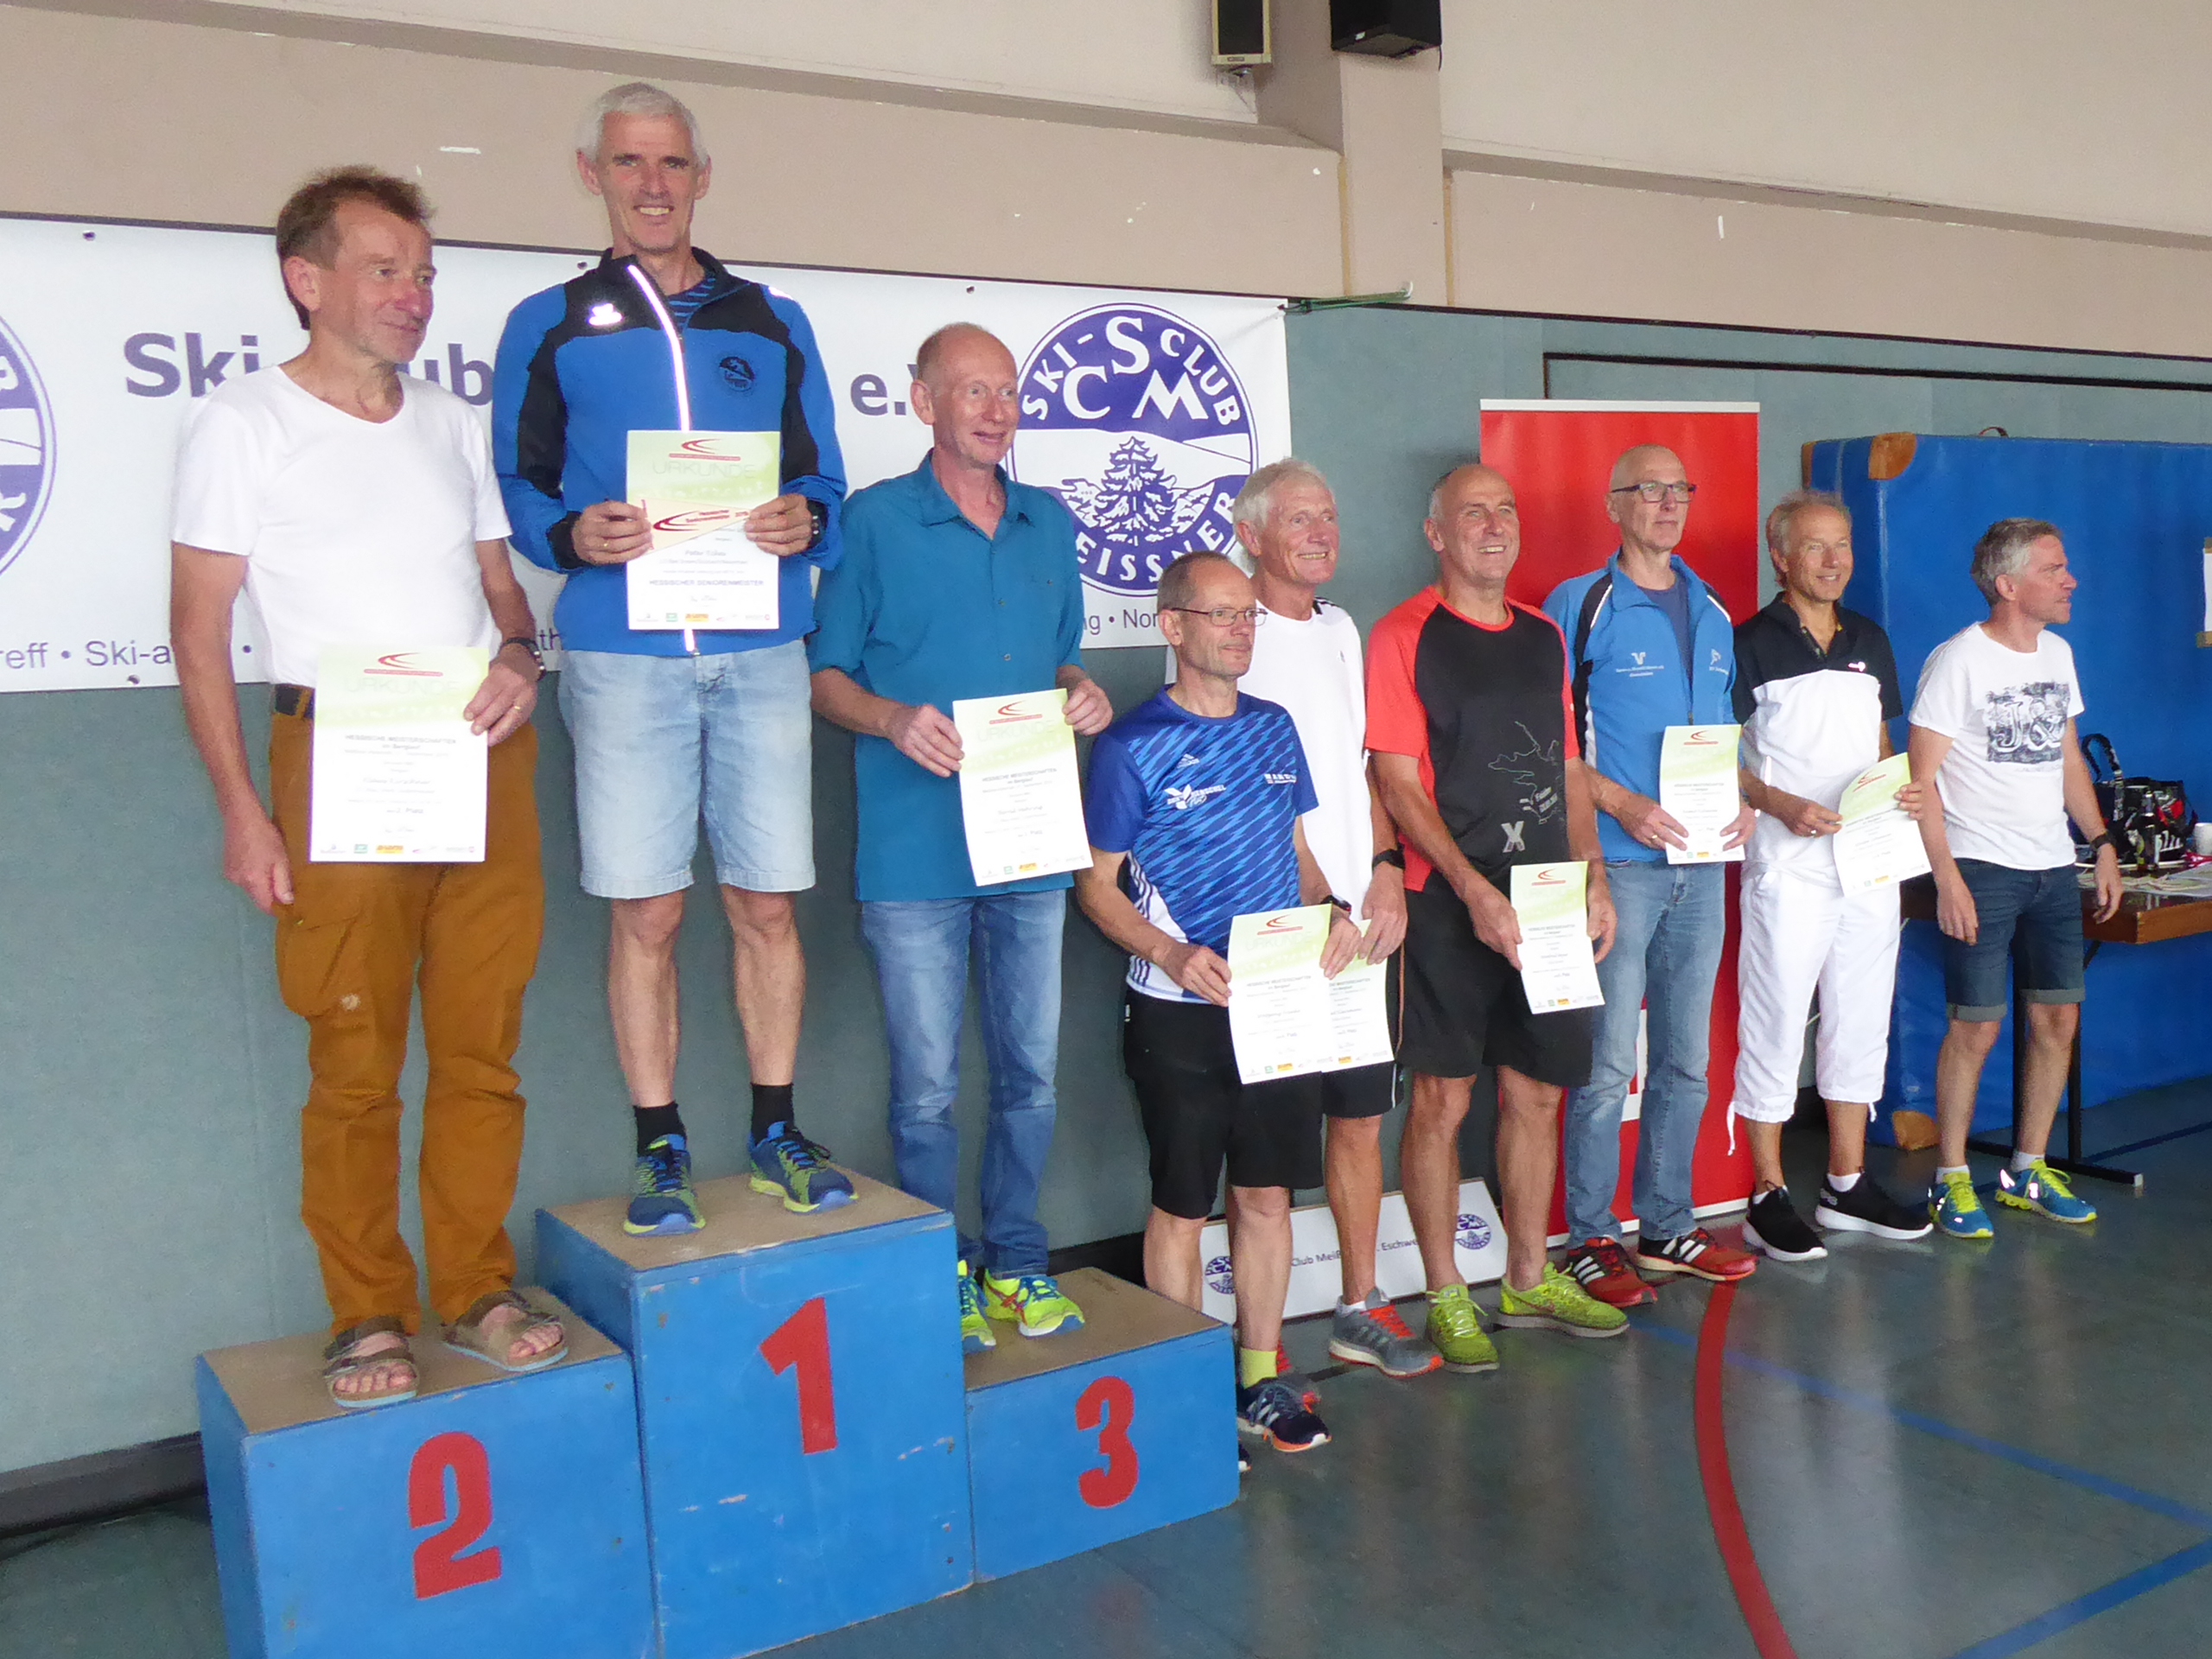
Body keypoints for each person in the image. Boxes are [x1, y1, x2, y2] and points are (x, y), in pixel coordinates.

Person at [171, 168, 563, 1408]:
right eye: (386, 270)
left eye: (424, 273)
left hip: (481, 755)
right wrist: (244, 810)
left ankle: (477, 1290)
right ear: (307, 280)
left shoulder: (451, 422)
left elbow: (502, 593)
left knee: (483, 1047)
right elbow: (197, 630)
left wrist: (520, 658)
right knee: (354, 1056)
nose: (414, 295)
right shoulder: (244, 423)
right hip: (339, 756)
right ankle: (365, 1315)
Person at [493, 82, 850, 1234]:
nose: (653, 184)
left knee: (765, 903)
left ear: (702, 176)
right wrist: (569, 537)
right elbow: (517, 481)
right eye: (629, 162)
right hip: (625, 655)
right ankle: (660, 1146)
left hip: (761, 648)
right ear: (590, 173)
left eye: (672, 163)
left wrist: (804, 518)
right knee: (645, 914)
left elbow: (823, 475)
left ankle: (776, 1129)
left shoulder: (773, 320)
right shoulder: (549, 322)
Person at [810, 323, 1110, 1349]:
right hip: (914, 854)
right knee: (926, 1090)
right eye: (972, 389)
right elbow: (826, 677)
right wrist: (893, 718)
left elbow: (1063, 659)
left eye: (1007, 390)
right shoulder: (874, 520)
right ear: (922, 402)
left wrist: (1080, 691)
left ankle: (1018, 1262)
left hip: (1030, 844)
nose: (995, 409)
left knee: (1032, 1075)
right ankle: (942, 1271)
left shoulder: (1047, 522)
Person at [1075, 552, 1359, 1455]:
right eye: (1222, 615)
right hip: (1179, 1012)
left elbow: (1297, 853)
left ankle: (1260, 1378)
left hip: (1278, 1008)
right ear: (1172, 626)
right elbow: (1095, 887)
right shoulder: (1131, 744)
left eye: (1248, 617)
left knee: (1267, 1197)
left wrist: (1333, 911)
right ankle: (1181, 1389)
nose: (1240, 631)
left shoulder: (1274, 727)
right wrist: (1171, 952)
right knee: (1183, 1205)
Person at [1369, 462, 1629, 1371]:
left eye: (1505, 510)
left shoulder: (1544, 635)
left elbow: (1567, 769)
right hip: (1447, 902)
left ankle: (1525, 1278)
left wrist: (1594, 877)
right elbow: (1396, 782)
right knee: (1442, 1100)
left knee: (1538, 1093)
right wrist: (1473, 889)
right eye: (1472, 513)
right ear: (1435, 534)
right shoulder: (1403, 635)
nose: (1493, 526)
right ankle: (1447, 1292)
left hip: (1548, 901)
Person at [1211, 460, 1430, 1385]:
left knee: (1358, 1118)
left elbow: (1361, 767)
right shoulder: (1230, 634)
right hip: (1277, 933)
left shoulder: (1341, 630)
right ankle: (1253, 1353)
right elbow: (1244, 790)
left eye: (1329, 517)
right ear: (1251, 536)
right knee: (1263, 1154)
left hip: (1358, 926)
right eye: (1299, 519)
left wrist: (1384, 871)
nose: (1321, 533)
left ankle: (1357, 1305)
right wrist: (1317, 901)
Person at [1543, 444, 1758, 1306]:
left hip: (1701, 871)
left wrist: (1741, 799)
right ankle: (1590, 1238)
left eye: (1680, 490)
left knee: (1686, 1061)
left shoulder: (1713, 608)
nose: (1668, 504)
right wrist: (1621, 805)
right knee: (1605, 1066)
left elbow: (1722, 734)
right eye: (1650, 490)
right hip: (1619, 869)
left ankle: (1668, 1226)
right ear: (1614, 504)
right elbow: (1552, 741)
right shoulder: (1581, 605)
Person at [1730, 492, 1933, 1259]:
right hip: (1788, 868)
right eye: (1815, 547)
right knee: (1777, 1019)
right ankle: (1766, 1193)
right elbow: (1716, 758)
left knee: (1861, 1019)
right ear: (1780, 557)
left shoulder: (1870, 639)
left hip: (1869, 865)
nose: (1832, 560)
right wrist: (1777, 803)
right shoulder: (1748, 642)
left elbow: (1880, 747)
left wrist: (1902, 789)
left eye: (1842, 545)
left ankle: (1847, 1183)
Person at [1908, 519, 2122, 1239]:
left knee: (2057, 1020)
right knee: (1977, 1027)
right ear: (2007, 585)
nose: (2070, 580)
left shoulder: (2058, 654)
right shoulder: (1957, 662)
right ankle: (1950, 1179)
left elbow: (2067, 759)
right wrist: (1947, 877)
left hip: (2052, 868)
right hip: (1981, 867)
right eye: (2053, 569)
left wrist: (2100, 842)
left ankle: (2027, 1169)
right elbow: (1920, 783)